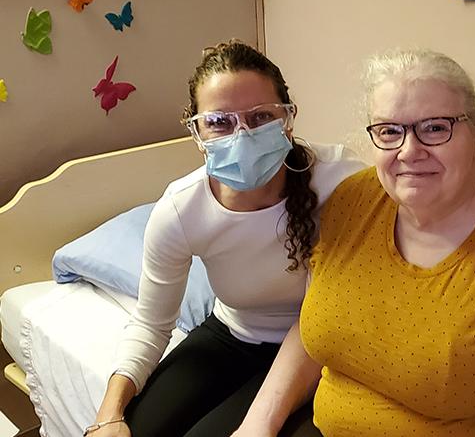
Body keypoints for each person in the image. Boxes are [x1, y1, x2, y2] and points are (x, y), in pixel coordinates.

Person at [87, 40, 366, 437]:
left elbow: (330, 313)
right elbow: (151, 323)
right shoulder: (183, 210)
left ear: (288, 118)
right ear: (196, 131)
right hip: (230, 336)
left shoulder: (341, 183)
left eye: (260, 117)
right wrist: (108, 416)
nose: (242, 135)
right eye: (220, 121)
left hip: (320, 348)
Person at [296, 49, 475, 436]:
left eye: (435, 128)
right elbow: (312, 328)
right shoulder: (351, 202)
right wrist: (259, 422)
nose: (408, 151)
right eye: (389, 130)